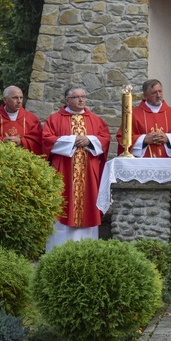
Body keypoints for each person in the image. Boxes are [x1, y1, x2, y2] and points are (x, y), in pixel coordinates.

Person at [43, 87, 111, 251]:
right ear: (67, 100)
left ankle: (87, 250)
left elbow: (105, 138)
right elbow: (47, 140)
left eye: (83, 97)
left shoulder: (95, 120)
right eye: (76, 97)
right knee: (62, 207)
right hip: (64, 172)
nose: (81, 100)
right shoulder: (55, 119)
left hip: (88, 172)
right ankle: (58, 251)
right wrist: (73, 141)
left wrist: (89, 141)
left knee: (88, 206)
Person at [115, 79, 171, 157]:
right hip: (142, 164)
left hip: (169, 163)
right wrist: (144, 139)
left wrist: (168, 138)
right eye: (154, 93)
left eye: (160, 91)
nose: (158, 95)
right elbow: (122, 139)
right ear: (144, 96)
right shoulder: (133, 114)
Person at [0, 85, 42, 155]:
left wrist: (22, 141)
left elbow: (38, 141)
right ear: (5, 100)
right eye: (15, 98)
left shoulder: (32, 119)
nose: (19, 101)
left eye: (21, 98)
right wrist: (2, 140)